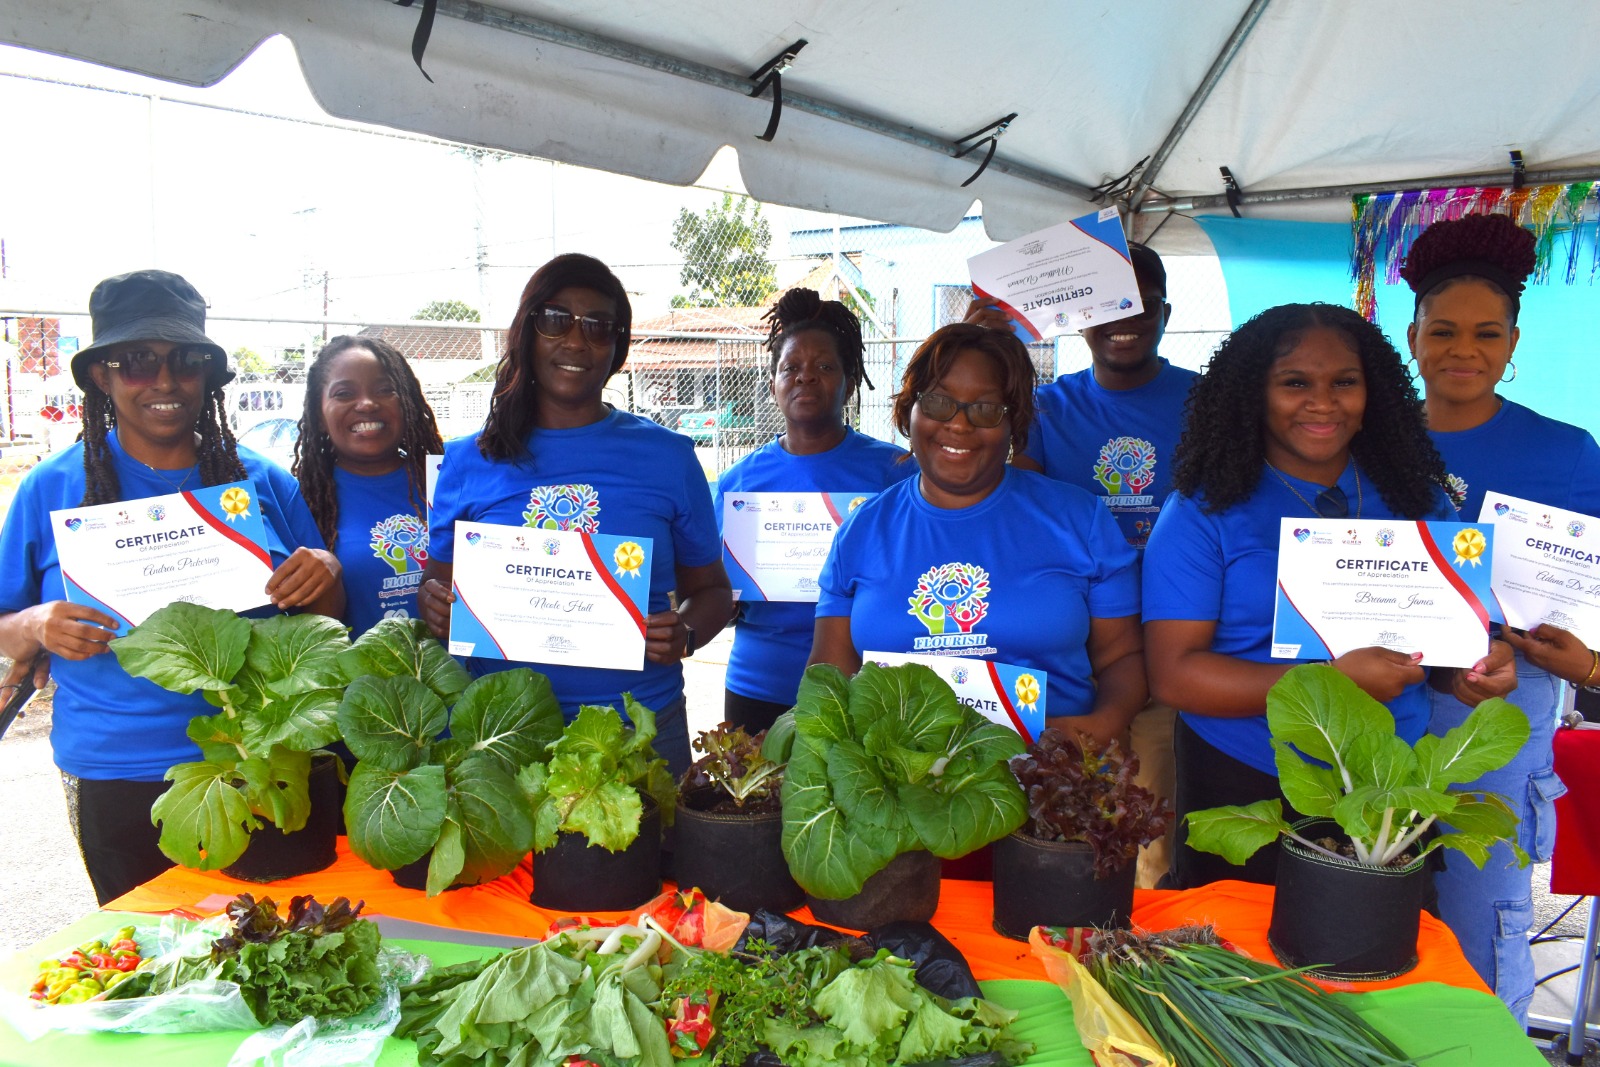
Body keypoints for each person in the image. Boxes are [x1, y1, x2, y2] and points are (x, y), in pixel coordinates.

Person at [1142, 302, 1515, 890]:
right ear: (1254, 395)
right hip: (1247, 774)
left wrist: (1472, 671)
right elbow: (1173, 676)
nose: (1323, 402)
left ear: (1375, 393)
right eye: (1295, 383)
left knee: (1382, 961)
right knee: (1246, 967)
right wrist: (1332, 684)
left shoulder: (1418, 500)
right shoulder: (1201, 511)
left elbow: (1443, 653)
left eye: (1345, 382)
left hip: (1390, 776)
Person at [0, 269, 344, 904]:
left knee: (276, 951)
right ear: (102, 375)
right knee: (153, 963)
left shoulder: (262, 483)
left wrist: (325, 570)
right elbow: (5, 616)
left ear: (209, 377)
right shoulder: (49, 487)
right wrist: (32, 625)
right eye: (136, 362)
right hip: (117, 769)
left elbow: (324, 620)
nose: (163, 381)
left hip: (260, 763)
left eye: (185, 361)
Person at [419, 253, 733, 775]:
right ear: (527, 332)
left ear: (617, 347)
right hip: (502, 736)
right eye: (556, 320)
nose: (576, 341)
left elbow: (714, 592)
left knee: (649, 857)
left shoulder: (667, 457)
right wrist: (436, 609)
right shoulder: (468, 460)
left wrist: (686, 633)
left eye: (598, 327)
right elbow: (442, 593)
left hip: (636, 732)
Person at [1400, 212, 1600, 1021]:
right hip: (1383, 703)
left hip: (1499, 723)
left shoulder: (1566, 452)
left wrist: (1564, 653)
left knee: (1483, 921)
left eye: (1486, 333)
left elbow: (1582, 592)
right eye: (1442, 330)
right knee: (1372, 908)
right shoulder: (1362, 444)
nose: (1463, 350)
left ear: (1514, 342)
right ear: (1412, 335)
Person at [971, 242, 1193, 887]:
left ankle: (1138, 958)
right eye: (1107, 301)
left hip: (1160, 650)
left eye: (1141, 303)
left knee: (1147, 834)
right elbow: (1007, 501)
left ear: (1165, 313)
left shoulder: (1203, 403)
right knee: (1061, 829)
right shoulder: (1047, 409)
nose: (1124, 317)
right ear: (1080, 314)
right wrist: (986, 344)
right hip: (1072, 659)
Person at [809, 322, 1146, 745]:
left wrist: (1098, 729)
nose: (959, 424)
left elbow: (1122, 658)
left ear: (1014, 424)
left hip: (1053, 776)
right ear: (908, 411)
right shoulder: (861, 532)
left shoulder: (1079, 520)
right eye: (938, 403)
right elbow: (828, 677)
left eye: (985, 408)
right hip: (898, 790)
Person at [714, 289, 913, 732]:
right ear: (772, 385)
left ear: (850, 383)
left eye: (825, 367)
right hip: (757, 683)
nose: (806, 378)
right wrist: (723, 598)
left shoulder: (895, 471)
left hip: (863, 686)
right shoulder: (739, 482)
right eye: (791, 368)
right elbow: (716, 587)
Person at [294, 335, 445, 637]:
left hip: (460, 679)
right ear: (319, 415)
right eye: (344, 393)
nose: (366, 404)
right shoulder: (301, 502)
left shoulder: (449, 481)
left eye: (385, 390)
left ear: (408, 403)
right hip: (361, 683)